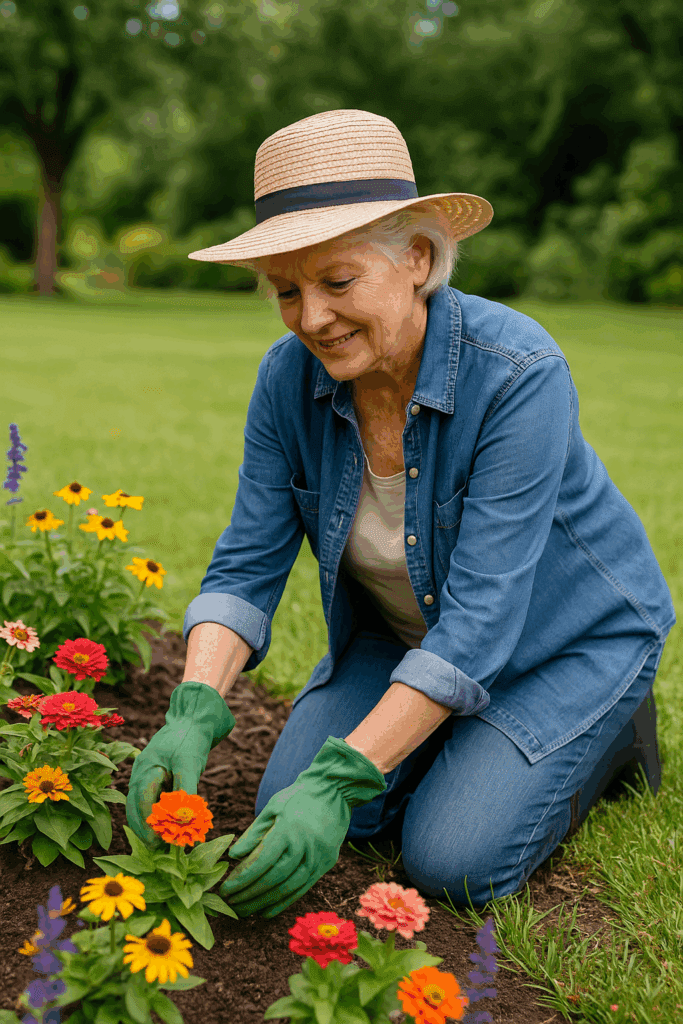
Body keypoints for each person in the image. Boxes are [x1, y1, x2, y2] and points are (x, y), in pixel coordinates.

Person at [126, 109, 676, 920]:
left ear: (416, 259)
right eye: (287, 290)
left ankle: (617, 728)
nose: (312, 318)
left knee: (449, 859)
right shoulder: (287, 380)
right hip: (405, 636)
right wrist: (194, 706)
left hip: (562, 645)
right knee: (292, 800)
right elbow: (246, 563)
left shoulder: (518, 372)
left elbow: (485, 619)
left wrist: (343, 773)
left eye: (337, 282)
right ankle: (445, 737)